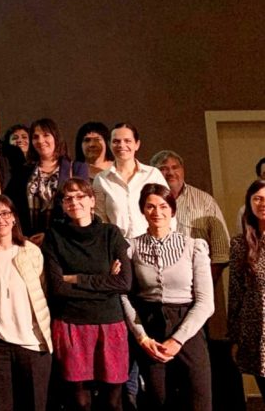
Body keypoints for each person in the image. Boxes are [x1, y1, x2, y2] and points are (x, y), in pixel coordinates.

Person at [120, 184, 213, 411]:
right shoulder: (130, 247)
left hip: (187, 324)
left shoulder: (193, 246)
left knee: (198, 399)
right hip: (150, 327)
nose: (157, 212)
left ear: (172, 210)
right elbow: (124, 295)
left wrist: (178, 339)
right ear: (142, 210)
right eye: (150, 206)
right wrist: (141, 337)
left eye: (163, 206)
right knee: (158, 399)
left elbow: (205, 302)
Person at [42, 178, 131, 411]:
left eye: (80, 196)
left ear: (92, 200)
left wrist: (76, 278)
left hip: (109, 323)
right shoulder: (54, 236)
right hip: (71, 323)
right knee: (80, 402)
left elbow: (124, 282)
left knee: (113, 401)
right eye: (67, 198)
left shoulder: (110, 233)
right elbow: (57, 288)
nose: (74, 202)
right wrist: (104, 281)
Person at [0, 195, 53, 411]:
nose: (0, 219)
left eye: (6, 213)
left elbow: (45, 291)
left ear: (14, 218)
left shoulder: (31, 251)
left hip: (32, 343)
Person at [149, 149, 230, 281]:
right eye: (163, 168)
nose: (170, 173)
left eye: (175, 167)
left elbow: (221, 252)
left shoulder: (205, 201)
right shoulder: (144, 203)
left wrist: (203, 284)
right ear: (153, 172)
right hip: (155, 284)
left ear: (183, 170)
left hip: (198, 281)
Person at [4, 118, 88, 240]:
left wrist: (50, 236)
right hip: (29, 242)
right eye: (35, 137)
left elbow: (82, 210)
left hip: (64, 241)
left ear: (56, 137)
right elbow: (11, 205)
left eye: (46, 135)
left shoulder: (76, 168)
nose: (40, 141)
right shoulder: (22, 171)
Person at [93, 122, 168, 239]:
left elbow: (168, 211)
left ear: (137, 144)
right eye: (116, 141)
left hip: (153, 244)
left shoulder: (153, 174)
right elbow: (100, 219)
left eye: (127, 141)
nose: (121, 145)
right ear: (109, 145)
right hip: (118, 247)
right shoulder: (101, 179)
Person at [227, 180, 265, 397]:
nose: (262, 204)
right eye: (257, 199)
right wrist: (234, 337)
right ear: (249, 203)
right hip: (256, 331)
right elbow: (236, 293)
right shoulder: (240, 244)